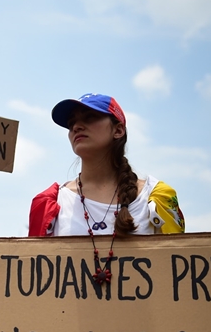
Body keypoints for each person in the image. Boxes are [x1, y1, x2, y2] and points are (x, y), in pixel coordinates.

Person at [29, 94, 184, 255]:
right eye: (71, 123)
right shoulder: (49, 203)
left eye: (90, 117)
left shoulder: (156, 198)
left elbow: (177, 266)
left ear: (118, 130)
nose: (76, 127)